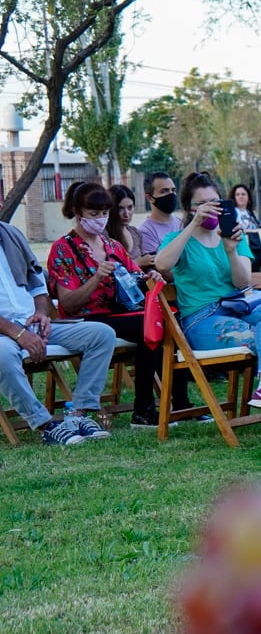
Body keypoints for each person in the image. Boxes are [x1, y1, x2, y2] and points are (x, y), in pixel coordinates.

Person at [152, 172, 261, 445]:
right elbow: (162, 265)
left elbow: (243, 281)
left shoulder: (233, 235)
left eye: (215, 201)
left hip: (240, 307)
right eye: (202, 203)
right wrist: (192, 225)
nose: (212, 207)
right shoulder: (179, 238)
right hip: (201, 320)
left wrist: (231, 250)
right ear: (189, 208)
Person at [46, 183, 169, 426]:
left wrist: (149, 278)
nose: (100, 219)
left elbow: (135, 279)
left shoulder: (112, 246)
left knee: (156, 322)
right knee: (149, 326)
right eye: (94, 214)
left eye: (104, 213)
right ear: (78, 211)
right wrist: (96, 278)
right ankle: (144, 408)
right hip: (84, 320)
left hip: (119, 315)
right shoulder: (63, 249)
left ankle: (156, 404)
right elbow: (68, 305)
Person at [1, 212, 117, 445]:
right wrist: (19, 334)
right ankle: (46, 424)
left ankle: (78, 414)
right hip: (5, 334)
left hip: (31, 323)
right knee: (2, 355)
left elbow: (37, 284)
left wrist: (42, 314)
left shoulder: (10, 234)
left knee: (101, 334)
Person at [137, 171, 183, 257]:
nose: (171, 195)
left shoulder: (181, 223)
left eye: (173, 190)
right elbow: (157, 266)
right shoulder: (146, 232)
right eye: (164, 191)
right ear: (150, 198)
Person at [107, 184, 142, 263]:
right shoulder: (104, 236)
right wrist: (138, 263)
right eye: (120, 208)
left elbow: (146, 261)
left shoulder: (136, 233)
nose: (126, 214)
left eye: (130, 208)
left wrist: (153, 273)